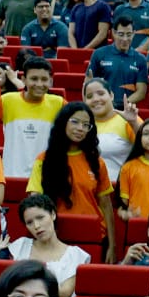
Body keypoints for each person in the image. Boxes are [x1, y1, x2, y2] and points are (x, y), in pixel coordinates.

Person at [25, 101, 113, 246]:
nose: (80, 128)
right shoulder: (44, 160)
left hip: (92, 234)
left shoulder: (97, 162)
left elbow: (106, 205)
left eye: (86, 125)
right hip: (56, 235)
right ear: (63, 122)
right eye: (75, 122)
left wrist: (112, 245)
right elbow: (35, 200)